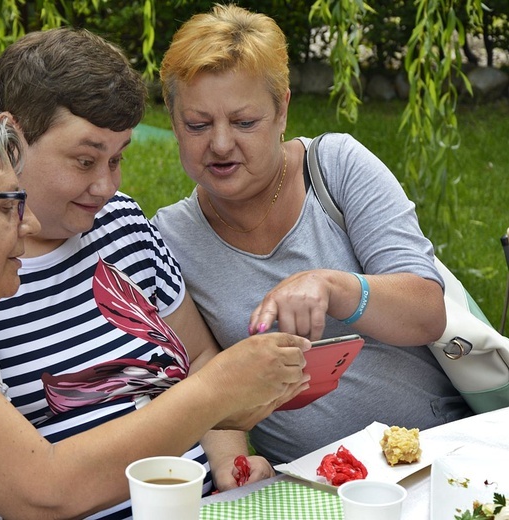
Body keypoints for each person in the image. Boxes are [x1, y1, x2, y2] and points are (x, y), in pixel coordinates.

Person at [0, 30, 290, 517]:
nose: (106, 185)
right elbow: (36, 487)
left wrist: (233, 468)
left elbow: (196, 357)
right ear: (11, 137)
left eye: (117, 158)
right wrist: (217, 393)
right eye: (85, 160)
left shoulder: (122, 222)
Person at [151, 4, 474, 466]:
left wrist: (334, 287)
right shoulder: (172, 238)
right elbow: (196, 376)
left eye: (245, 122)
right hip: (308, 484)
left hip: (436, 455)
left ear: (282, 109)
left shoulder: (336, 168)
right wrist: (232, 459)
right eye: (198, 124)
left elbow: (427, 313)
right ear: (172, 118)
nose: (220, 144)